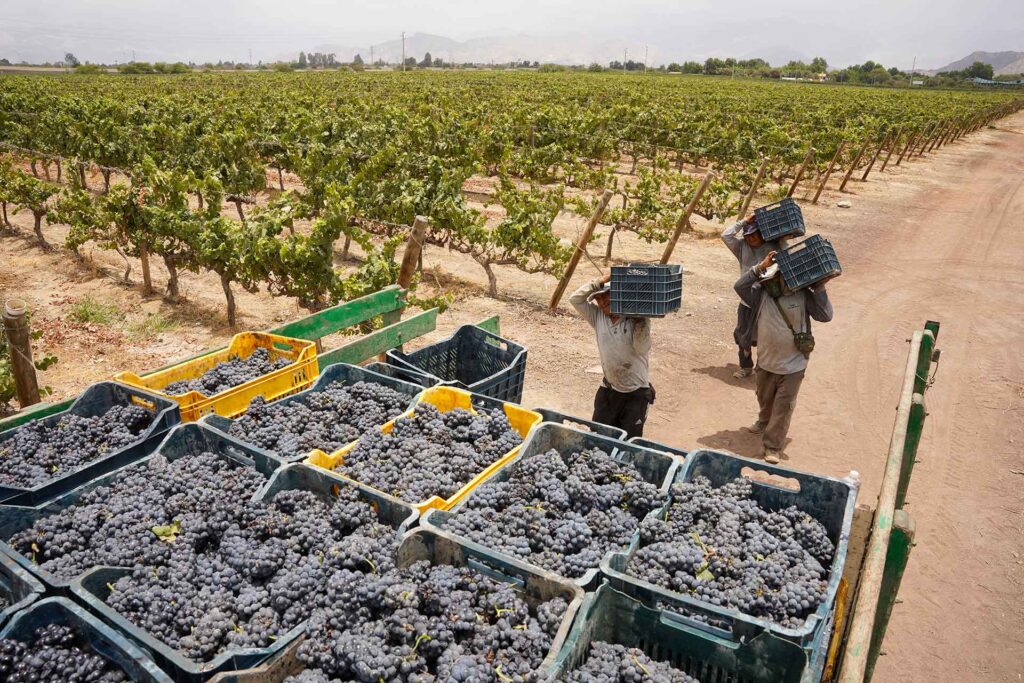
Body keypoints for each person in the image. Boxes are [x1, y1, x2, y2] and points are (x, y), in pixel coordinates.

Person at [734, 251, 833, 464]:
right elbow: (739, 287)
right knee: (764, 397)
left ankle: (772, 446)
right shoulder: (761, 294)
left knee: (784, 406)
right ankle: (763, 420)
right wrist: (760, 266)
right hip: (766, 361)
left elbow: (826, 316)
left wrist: (820, 288)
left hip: (794, 364)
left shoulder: (805, 295)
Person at [569, 272, 654, 438]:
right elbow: (575, 299)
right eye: (598, 299)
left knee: (628, 443)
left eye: (608, 295)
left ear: (620, 296)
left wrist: (641, 320)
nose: (603, 302)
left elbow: (641, 348)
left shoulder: (634, 319)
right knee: (599, 438)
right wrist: (601, 281)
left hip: (635, 393)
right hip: (609, 390)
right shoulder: (598, 316)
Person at [722, 216, 778, 379]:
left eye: (754, 235)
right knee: (742, 334)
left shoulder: (772, 247)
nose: (751, 239)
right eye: (747, 236)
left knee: (766, 335)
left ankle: (764, 367)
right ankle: (745, 366)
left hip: (766, 299)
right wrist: (744, 221)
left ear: (762, 234)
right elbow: (725, 235)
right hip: (746, 297)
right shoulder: (741, 247)